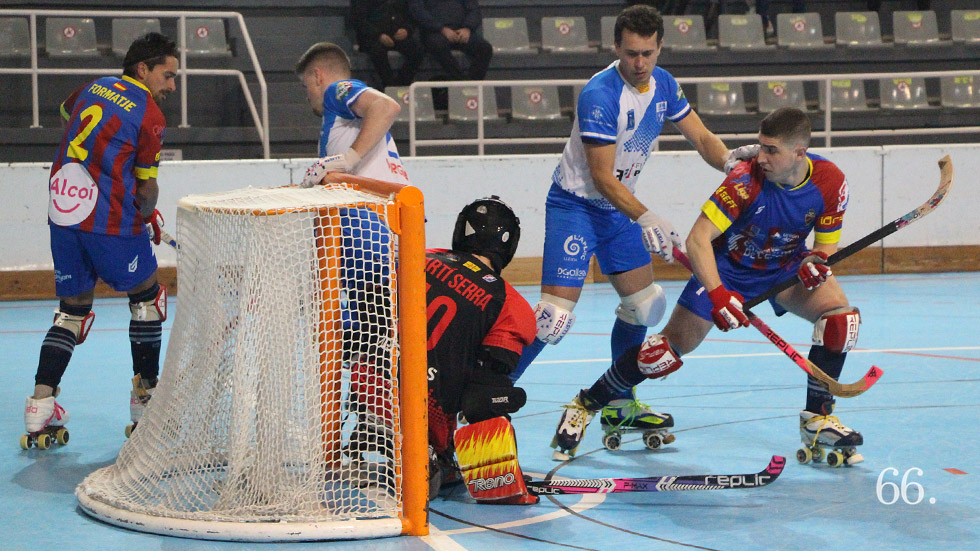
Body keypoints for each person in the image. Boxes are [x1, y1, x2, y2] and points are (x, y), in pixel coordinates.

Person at [553, 107, 866, 467]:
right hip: (727, 270)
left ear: (800, 153)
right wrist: (718, 294)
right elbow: (698, 239)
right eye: (760, 146)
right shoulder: (745, 180)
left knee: (841, 321)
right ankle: (585, 405)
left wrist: (816, 263)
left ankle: (817, 419)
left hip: (783, 267)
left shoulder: (829, 180)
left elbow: (826, 245)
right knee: (660, 355)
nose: (760, 157)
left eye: (771, 150)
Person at [510, 5, 756, 452]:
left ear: (660, 47)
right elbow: (602, 177)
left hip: (617, 211)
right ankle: (489, 396)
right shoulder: (600, 95)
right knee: (553, 319)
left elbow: (701, 137)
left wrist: (728, 162)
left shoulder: (664, 85)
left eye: (647, 53)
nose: (639, 63)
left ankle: (620, 401)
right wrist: (646, 216)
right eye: (630, 53)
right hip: (576, 207)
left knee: (645, 307)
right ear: (615, 48)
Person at [23, 32, 178, 449]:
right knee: (147, 299)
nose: (172, 85)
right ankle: (145, 403)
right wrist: (145, 213)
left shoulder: (93, 87)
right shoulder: (150, 114)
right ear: (143, 69)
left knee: (72, 311)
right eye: (167, 75)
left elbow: (66, 114)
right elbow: (147, 189)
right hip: (109, 221)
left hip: (64, 213)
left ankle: (40, 405)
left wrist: (92, 160)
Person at [296, 42, 409, 188]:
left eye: (306, 86)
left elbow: (386, 106)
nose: (307, 97)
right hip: (395, 198)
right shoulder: (353, 119)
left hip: (374, 200)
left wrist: (349, 159)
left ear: (318, 76)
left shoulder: (335, 90)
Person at [407, 0, 493, 81]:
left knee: (485, 48)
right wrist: (441, 28)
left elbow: (474, 10)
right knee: (437, 45)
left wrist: (467, 28)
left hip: (461, 30)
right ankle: (461, 80)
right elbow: (418, 11)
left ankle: (473, 83)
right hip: (434, 31)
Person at [350, 0, 424, 89]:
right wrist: (378, 35)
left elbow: (410, 14)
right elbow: (358, 19)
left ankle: (402, 84)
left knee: (418, 50)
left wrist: (407, 29)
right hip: (371, 36)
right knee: (378, 51)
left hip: (397, 34)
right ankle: (389, 85)